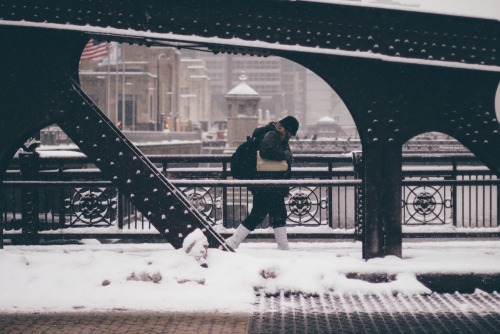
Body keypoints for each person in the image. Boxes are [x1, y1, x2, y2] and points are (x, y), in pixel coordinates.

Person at [227, 116, 299, 250]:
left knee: (276, 214)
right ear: (286, 129)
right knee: (260, 214)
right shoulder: (272, 134)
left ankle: (283, 247)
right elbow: (267, 152)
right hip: (267, 183)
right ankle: (232, 242)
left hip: (269, 183)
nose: (291, 136)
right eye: (291, 133)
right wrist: (285, 155)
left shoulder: (275, 134)